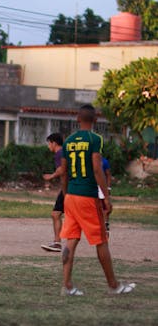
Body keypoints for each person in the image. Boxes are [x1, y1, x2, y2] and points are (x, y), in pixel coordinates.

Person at [60, 104, 135, 296]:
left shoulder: (68, 141)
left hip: (70, 197)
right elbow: (96, 168)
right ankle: (114, 286)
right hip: (87, 196)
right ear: (94, 120)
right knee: (101, 241)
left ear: (77, 119)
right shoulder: (95, 139)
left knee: (71, 241)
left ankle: (67, 286)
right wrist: (106, 197)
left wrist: (65, 194)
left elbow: (64, 172)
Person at [41, 133, 65, 252]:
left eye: (49, 143)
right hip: (69, 188)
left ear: (54, 143)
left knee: (56, 214)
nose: (48, 146)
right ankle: (57, 242)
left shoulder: (59, 154)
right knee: (56, 214)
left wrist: (51, 176)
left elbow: (61, 169)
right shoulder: (64, 152)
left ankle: (57, 243)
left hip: (68, 188)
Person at [98, 157, 112, 236]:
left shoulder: (104, 161)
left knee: (105, 207)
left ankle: (105, 225)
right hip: (92, 186)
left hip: (101, 186)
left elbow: (108, 175)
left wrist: (108, 187)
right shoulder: (89, 160)